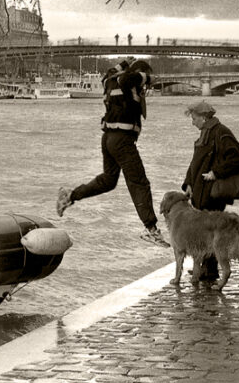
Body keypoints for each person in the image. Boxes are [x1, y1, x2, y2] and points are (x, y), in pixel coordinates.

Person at [57, 59, 170, 247]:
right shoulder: (128, 82)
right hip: (122, 141)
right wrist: (146, 76)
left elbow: (107, 74)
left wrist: (124, 63)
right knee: (139, 182)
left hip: (108, 138)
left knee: (108, 180)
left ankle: (70, 195)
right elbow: (127, 79)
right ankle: (151, 229)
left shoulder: (110, 80)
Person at [181, 101, 239, 281]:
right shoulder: (206, 133)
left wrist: (216, 173)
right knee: (205, 231)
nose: (192, 122)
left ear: (203, 118)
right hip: (200, 191)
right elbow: (194, 163)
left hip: (212, 192)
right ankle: (206, 268)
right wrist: (188, 183)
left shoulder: (221, 132)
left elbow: (238, 157)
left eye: (194, 119)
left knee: (210, 232)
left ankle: (210, 270)